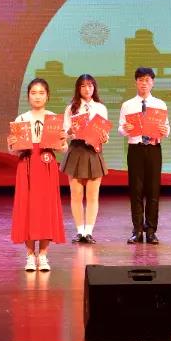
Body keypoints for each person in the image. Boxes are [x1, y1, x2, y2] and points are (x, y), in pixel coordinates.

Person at [9, 78, 66, 272]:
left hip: (47, 165)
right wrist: (13, 143)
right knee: (27, 208)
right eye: (33, 93)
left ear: (47, 96)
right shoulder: (22, 119)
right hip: (26, 165)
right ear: (28, 96)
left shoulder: (53, 118)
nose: (37, 97)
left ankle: (43, 254)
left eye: (41, 93)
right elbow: (13, 150)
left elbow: (63, 148)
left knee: (46, 208)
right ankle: (29, 255)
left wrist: (62, 140)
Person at [119, 67, 170, 244]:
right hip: (135, 149)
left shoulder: (160, 104)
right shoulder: (128, 105)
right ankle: (137, 230)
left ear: (152, 83)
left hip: (154, 149)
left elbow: (167, 129)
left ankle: (151, 231)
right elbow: (120, 129)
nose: (144, 83)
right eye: (140, 80)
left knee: (153, 191)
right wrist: (125, 129)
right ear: (136, 82)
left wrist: (164, 130)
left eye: (147, 80)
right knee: (136, 191)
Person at [61, 74, 109, 244]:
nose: (87, 89)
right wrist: (71, 131)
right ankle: (79, 231)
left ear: (94, 88)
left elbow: (104, 133)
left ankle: (88, 232)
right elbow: (64, 132)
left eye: (90, 85)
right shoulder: (71, 108)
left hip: (94, 151)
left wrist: (104, 137)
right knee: (76, 194)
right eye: (83, 86)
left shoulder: (101, 108)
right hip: (76, 149)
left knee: (92, 195)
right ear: (78, 89)